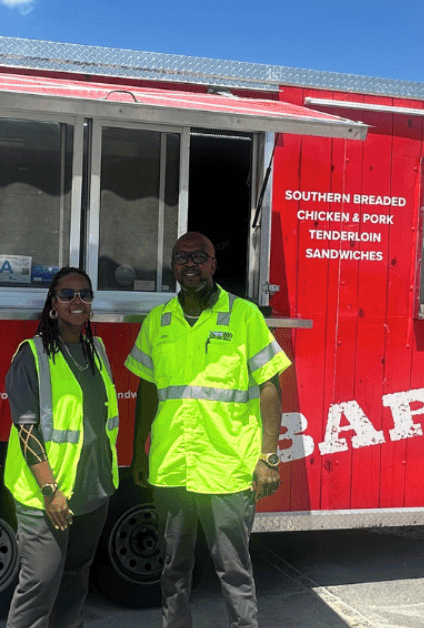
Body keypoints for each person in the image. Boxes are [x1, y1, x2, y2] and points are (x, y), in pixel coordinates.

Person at [125, 232, 290, 628]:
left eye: (200, 257)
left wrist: (268, 456)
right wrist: (137, 452)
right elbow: (147, 391)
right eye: (182, 258)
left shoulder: (244, 315)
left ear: (214, 265)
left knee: (234, 571)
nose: (191, 264)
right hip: (172, 464)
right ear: (173, 267)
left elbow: (270, 385)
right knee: (172, 570)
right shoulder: (158, 320)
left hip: (228, 466)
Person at [3, 267, 120, 628]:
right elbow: (27, 429)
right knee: (39, 582)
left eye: (84, 294)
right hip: (48, 495)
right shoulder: (32, 355)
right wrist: (50, 490)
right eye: (67, 295)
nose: (77, 301)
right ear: (52, 303)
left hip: (92, 489)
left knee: (74, 578)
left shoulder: (96, 349)